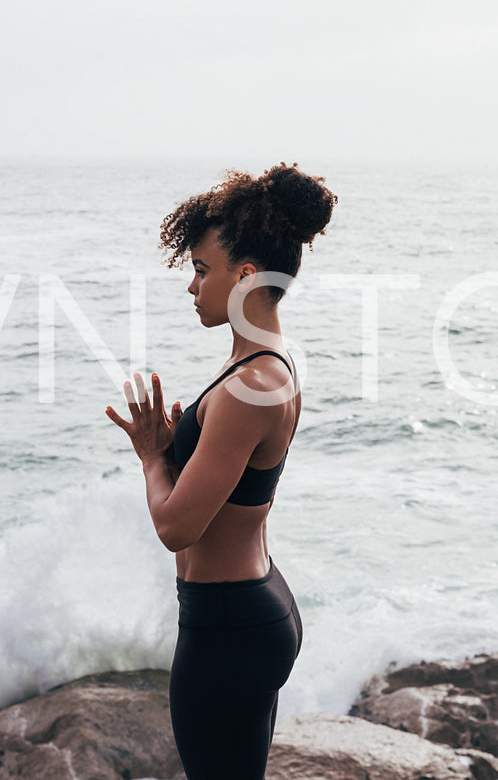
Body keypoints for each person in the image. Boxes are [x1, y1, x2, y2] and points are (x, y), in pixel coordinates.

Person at [105, 162, 335, 779]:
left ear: (246, 275)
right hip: (251, 605)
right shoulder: (269, 366)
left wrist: (154, 457)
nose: (193, 286)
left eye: (202, 270)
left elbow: (177, 527)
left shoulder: (247, 386)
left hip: (226, 624)